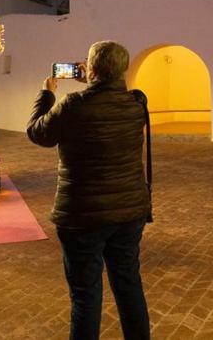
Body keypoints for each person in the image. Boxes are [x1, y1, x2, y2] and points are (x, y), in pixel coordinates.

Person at [27, 41, 151, 340]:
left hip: (82, 215)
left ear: (91, 68)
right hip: (129, 210)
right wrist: (97, 82)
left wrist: (46, 94)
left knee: (85, 293)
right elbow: (107, 97)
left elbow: (37, 133)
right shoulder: (136, 104)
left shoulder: (72, 105)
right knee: (129, 285)